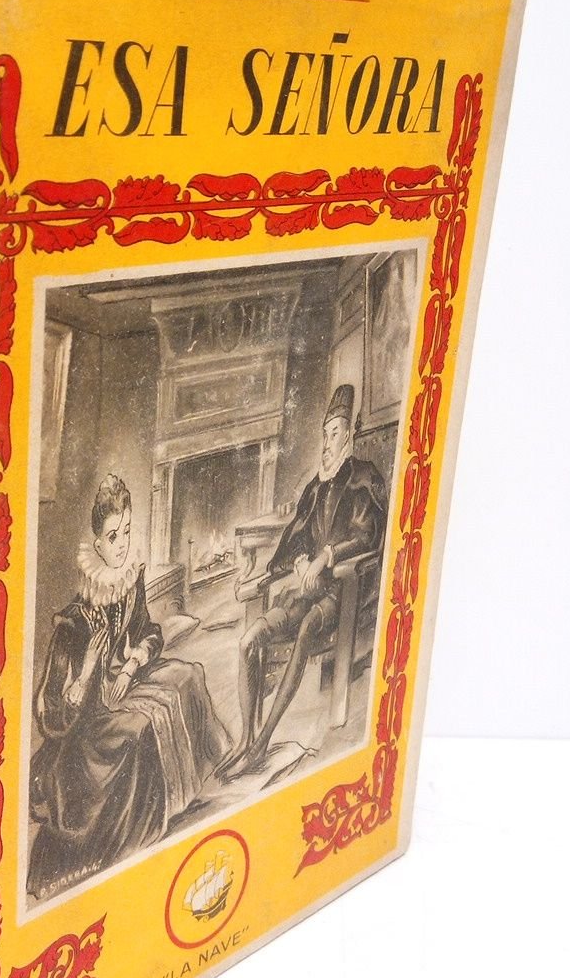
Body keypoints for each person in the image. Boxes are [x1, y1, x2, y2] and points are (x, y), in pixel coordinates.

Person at [28, 474, 230, 899]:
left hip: (125, 685)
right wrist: (86, 673)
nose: (121, 544)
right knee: (140, 729)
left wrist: (131, 664)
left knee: (189, 675)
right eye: (112, 536)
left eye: (126, 531)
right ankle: (145, 829)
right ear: (97, 543)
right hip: (85, 730)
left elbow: (148, 632)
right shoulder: (74, 621)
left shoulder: (128, 583)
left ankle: (190, 790)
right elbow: (51, 716)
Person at [226, 384, 387, 775]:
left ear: (349, 435)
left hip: (340, 592)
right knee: (249, 640)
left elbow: (367, 536)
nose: (326, 444)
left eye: (334, 434)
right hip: (303, 592)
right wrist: (300, 561)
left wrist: (326, 558)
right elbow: (294, 538)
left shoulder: (364, 477)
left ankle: (262, 743)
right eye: (324, 435)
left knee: (306, 630)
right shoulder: (315, 488)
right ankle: (246, 739)